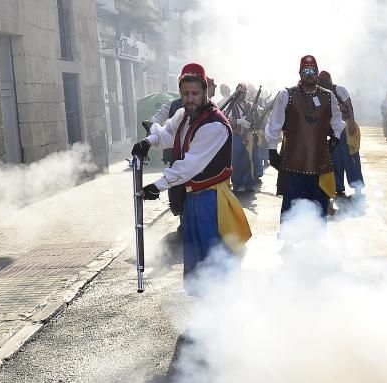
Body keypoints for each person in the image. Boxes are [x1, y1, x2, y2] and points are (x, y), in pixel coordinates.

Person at [131, 63, 251, 288]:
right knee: (198, 260)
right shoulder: (183, 115)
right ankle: (206, 309)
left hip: (212, 200)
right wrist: (148, 142)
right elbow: (167, 134)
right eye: (185, 94)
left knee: (214, 257)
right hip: (193, 198)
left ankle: (225, 308)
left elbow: (189, 166)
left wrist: (158, 185)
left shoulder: (214, 125)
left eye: (195, 93)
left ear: (205, 91)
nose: (190, 98)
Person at [264, 55, 345, 220]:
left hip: (320, 162)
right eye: (306, 70)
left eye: (313, 70)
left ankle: (316, 242)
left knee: (318, 209)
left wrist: (335, 140)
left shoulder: (328, 96)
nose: (310, 74)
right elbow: (274, 124)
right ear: (300, 73)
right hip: (293, 163)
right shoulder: (286, 95)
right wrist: (272, 150)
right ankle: (289, 241)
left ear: (317, 72)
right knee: (292, 211)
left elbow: (337, 121)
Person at [319, 71, 364, 197]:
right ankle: (338, 187)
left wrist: (352, 123)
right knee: (336, 159)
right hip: (333, 131)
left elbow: (349, 105)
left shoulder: (339, 89)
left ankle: (357, 186)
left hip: (346, 127)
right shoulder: (320, 93)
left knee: (352, 158)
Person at [224, 84, 256, 193]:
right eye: (241, 92)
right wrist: (239, 121)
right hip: (235, 135)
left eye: (244, 92)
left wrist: (254, 114)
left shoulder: (248, 105)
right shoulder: (231, 105)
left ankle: (247, 183)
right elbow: (225, 118)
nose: (243, 94)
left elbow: (255, 117)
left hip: (247, 135)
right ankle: (236, 183)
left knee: (247, 160)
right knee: (236, 161)